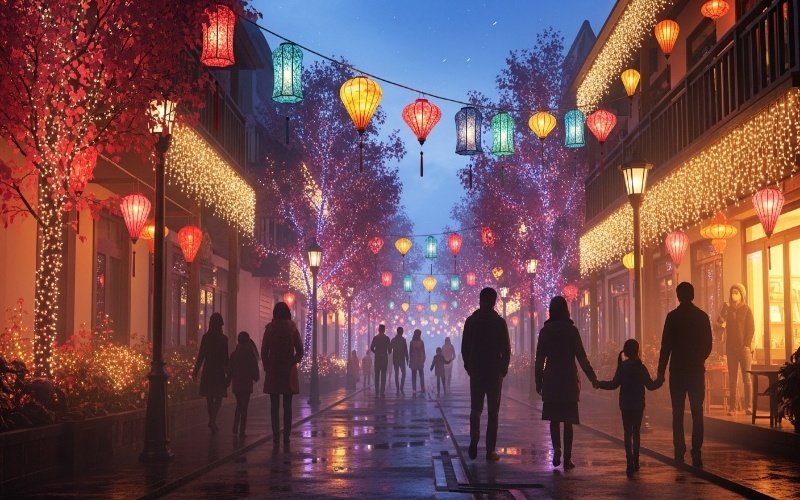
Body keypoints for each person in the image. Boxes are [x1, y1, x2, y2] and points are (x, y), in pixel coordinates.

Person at [535, 296, 597, 470]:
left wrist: (538, 380)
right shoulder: (572, 331)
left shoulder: (545, 332)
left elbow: (539, 359)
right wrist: (592, 377)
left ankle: (557, 448)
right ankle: (567, 459)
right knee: (568, 420)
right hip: (569, 378)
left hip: (551, 378)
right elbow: (581, 357)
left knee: (554, 419)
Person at [656, 282, 713, 468]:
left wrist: (661, 371)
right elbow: (708, 344)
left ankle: (679, 449)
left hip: (678, 370)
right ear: (693, 295)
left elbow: (666, 346)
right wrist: (699, 359)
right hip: (695, 370)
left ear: (678, 296)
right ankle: (696, 449)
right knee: (697, 411)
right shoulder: (702, 317)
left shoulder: (672, 317)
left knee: (677, 412)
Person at [594, 339, 660, 476]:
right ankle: (636, 460)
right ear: (637, 351)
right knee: (636, 433)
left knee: (627, 432)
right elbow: (650, 386)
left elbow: (613, 384)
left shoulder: (622, 367)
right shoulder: (641, 368)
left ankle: (629, 461)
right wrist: (660, 381)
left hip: (625, 404)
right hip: (638, 404)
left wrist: (599, 384)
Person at [462, 287, 511, 462]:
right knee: (493, 412)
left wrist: (469, 366)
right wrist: (503, 368)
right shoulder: (499, 322)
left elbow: (465, 347)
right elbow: (506, 348)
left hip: (476, 370)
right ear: (494, 301)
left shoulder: (471, 321)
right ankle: (490, 450)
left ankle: (474, 435)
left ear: (480, 300)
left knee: (475, 408)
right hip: (493, 371)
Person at [261, 302, 304, 448]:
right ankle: (286, 435)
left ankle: (276, 436)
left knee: (274, 406)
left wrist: (267, 366)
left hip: (273, 369)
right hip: (288, 370)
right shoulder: (292, 329)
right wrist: (294, 361)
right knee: (287, 405)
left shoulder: (270, 329)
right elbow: (300, 350)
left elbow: (264, 350)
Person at [718, 284, 755, 415]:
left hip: (744, 349)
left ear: (741, 295)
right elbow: (719, 322)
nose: (734, 295)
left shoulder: (746, 309)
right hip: (731, 348)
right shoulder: (728, 310)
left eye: (736, 292)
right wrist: (723, 309)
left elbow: (751, 328)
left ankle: (748, 406)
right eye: (732, 292)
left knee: (747, 378)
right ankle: (732, 408)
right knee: (732, 379)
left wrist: (746, 344)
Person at [193, 312, 229, 434]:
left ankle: (212, 420)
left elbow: (201, 356)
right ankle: (212, 419)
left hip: (208, 370)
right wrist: (228, 374)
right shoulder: (224, 339)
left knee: (209, 397)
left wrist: (195, 371)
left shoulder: (206, 337)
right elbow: (225, 358)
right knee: (219, 396)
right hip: (219, 371)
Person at [227, 331, 260, 436]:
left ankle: (235, 426)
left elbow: (230, 368)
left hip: (237, 384)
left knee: (239, 404)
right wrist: (256, 377)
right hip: (246, 384)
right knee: (244, 407)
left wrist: (228, 379)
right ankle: (241, 429)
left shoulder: (234, 354)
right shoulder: (250, 354)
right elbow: (254, 367)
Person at [370, 324, 391, 398]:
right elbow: (389, 350)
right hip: (384, 358)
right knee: (383, 375)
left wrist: (376, 352)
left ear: (379, 330)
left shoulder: (375, 338)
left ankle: (377, 390)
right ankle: (382, 390)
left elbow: (372, 348)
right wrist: (387, 353)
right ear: (384, 330)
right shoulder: (387, 338)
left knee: (377, 375)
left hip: (377, 358)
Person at [390, 327, 409, 396]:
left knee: (396, 374)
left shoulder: (393, 340)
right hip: (402, 359)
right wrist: (407, 359)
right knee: (404, 373)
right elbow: (406, 350)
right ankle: (401, 386)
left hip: (395, 359)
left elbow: (390, 350)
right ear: (401, 332)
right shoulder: (403, 340)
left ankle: (397, 387)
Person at [409, 329, 427, 395]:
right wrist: (424, 358)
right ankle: (422, 388)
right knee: (421, 374)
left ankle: (414, 389)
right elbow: (423, 351)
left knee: (414, 375)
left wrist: (410, 361)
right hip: (420, 360)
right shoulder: (421, 342)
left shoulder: (412, 342)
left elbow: (410, 352)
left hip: (414, 360)